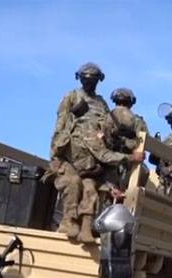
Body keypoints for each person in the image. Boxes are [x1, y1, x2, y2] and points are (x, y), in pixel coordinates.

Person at [47, 62, 109, 244]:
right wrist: (56, 155)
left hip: (89, 161)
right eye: (85, 79)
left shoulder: (101, 103)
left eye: (93, 80)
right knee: (73, 183)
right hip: (68, 157)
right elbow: (59, 128)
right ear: (79, 79)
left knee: (90, 189)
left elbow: (105, 131)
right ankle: (68, 222)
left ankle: (85, 228)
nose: (89, 83)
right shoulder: (71, 97)